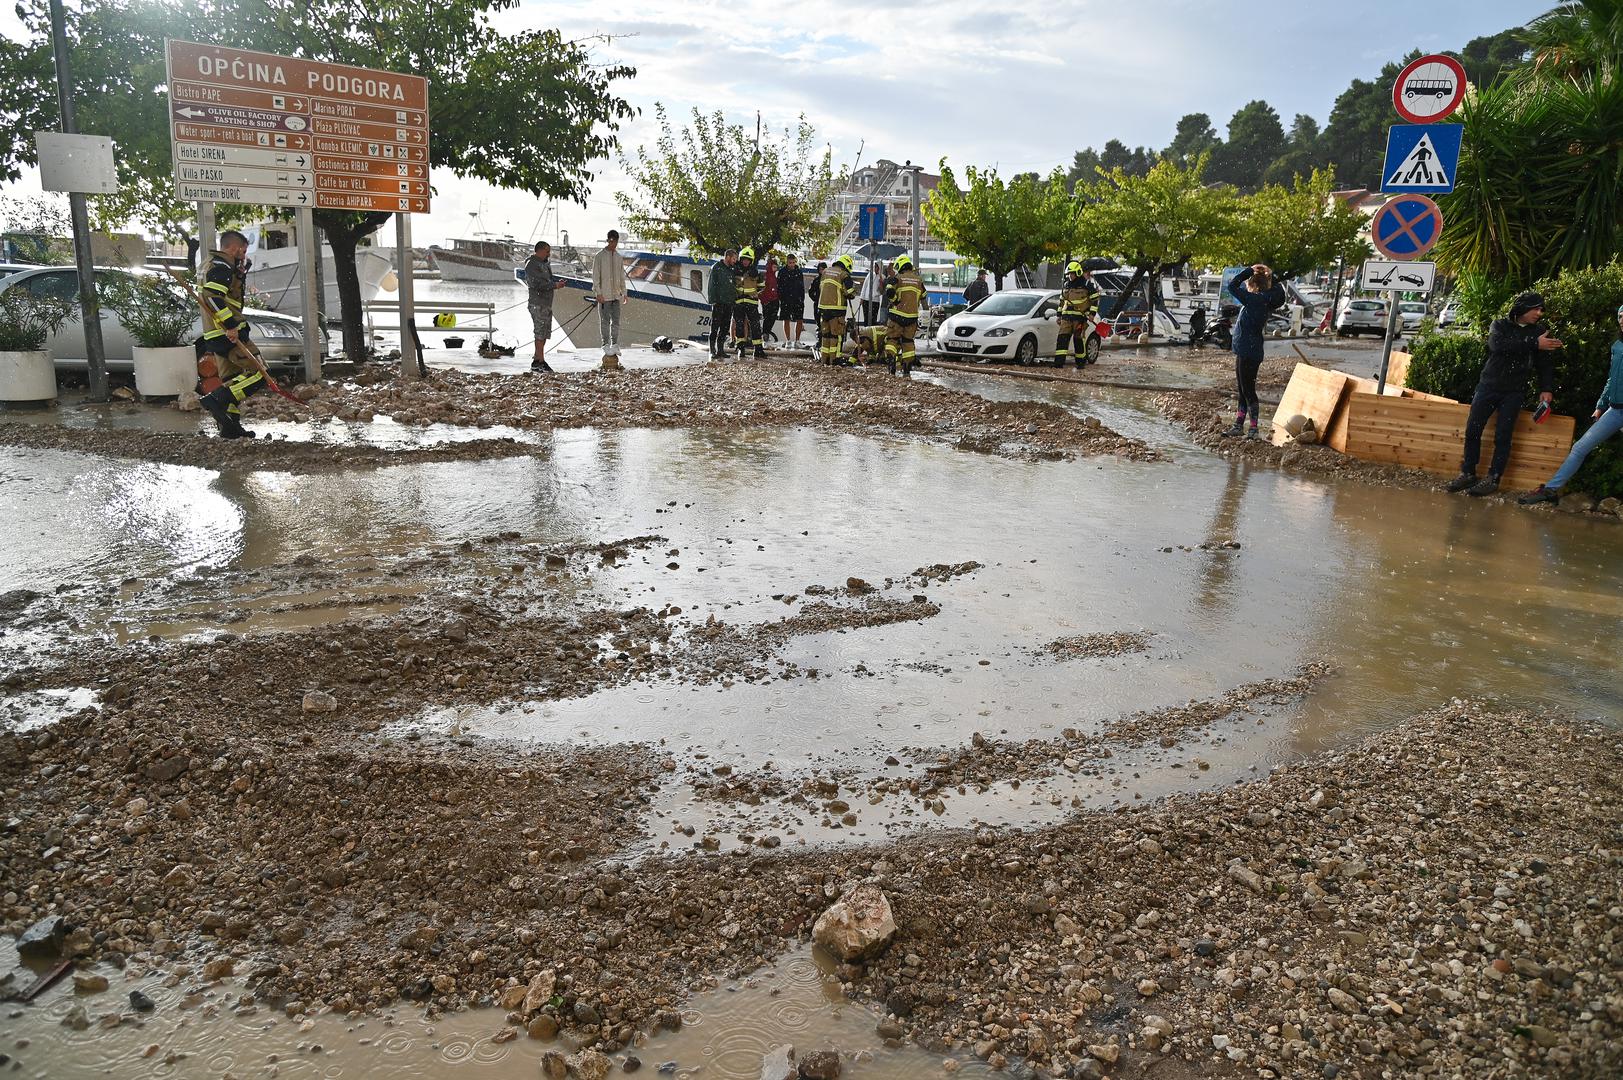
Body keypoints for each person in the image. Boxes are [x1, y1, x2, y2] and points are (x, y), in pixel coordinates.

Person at [1446, 291, 1563, 496]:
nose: (1539, 312)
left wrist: (1546, 389)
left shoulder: (1540, 331)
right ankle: (1468, 473)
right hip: (1488, 386)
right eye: (1536, 308)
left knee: (1503, 436)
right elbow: (1497, 346)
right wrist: (1534, 344)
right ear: (1523, 308)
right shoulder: (1500, 325)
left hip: (1514, 391)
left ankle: (1494, 478)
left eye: (1541, 309)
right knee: (1472, 430)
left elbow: (1544, 365)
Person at [1520, 304, 1623, 505]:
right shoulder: (1617, 346)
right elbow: (1612, 379)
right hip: (1615, 410)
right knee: (1579, 448)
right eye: (1620, 316)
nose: (1622, 319)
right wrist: (1601, 405)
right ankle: (1550, 490)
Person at [195, 230, 264, 439]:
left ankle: (230, 428)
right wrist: (231, 325)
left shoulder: (210, 264)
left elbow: (222, 293)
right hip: (228, 333)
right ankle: (217, 398)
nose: (243, 256)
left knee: (233, 378)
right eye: (242, 251)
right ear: (233, 248)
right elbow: (213, 297)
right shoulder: (222, 266)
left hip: (214, 333)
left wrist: (239, 276)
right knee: (259, 374)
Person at [1222, 264, 1286, 439]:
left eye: (1249, 285)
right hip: (1250, 349)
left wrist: (1249, 270)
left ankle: (1253, 429)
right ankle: (1239, 425)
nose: (1247, 288)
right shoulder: (1268, 299)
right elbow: (1280, 295)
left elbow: (1232, 286)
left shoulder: (1254, 299)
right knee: (1243, 389)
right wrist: (1271, 275)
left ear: (1255, 286)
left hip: (1247, 349)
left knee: (1248, 390)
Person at [884, 253, 926, 376]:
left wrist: (896, 302)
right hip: (912, 318)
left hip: (896, 316)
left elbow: (889, 291)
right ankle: (906, 368)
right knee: (908, 342)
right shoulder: (919, 280)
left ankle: (892, 361)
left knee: (892, 340)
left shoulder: (898, 278)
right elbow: (924, 297)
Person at [592, 229, 628, 367]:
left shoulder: (618, 257)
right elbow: (595, 276)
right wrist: (598, 293)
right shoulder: (599, 256)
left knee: (616, 321)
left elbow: (621, 276)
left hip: (616, 295)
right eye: (611, 241)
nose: (613, 243)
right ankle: (605, 344)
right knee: (605, 321)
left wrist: (624, 293)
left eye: (615, 241)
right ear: (608, 240)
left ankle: (615, 343)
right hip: (604, 295)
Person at [523, 241, 560, 371]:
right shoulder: (531, 264)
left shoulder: (545, 264)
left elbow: (548, 280)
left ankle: (537, 358)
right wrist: (554, 285)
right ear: (539, 250)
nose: (549, 254)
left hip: (546, 303)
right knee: (539, 332)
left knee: (544, 333)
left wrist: (555, 283)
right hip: (537, 303)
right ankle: (540, 360)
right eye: (547, 251)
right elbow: (536, 284)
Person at [1055, 261, 1097, 367]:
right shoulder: (1066, 285)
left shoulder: (1086, 284)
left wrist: (1092, 314)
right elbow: (1061, 301)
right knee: (1062, 339)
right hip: (1066, 317)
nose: (1070, 276)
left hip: (1080, 318)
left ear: (1078, 273)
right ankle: (1058, 363)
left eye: (1072, 273)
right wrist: (1059, 315)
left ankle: (1080, 363)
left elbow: (1095, 300)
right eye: (1069, 274)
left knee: (1078, 340)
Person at [818, 254, 855, 365]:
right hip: (836, 309)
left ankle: (824, 359)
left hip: (823, 308)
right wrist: (850, 295)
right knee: (836, 336)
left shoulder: (825, 272)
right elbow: (850, 292)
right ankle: (834, 359)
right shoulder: (844, 274)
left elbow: (821, 287)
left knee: (825, 335)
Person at [733, 246, 765, 359]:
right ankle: (741, 349)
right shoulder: (735, 270)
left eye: (747, 259)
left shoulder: (755, 272)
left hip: (751, 303)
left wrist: (757, 294)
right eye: (743, 259)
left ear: (751, 261)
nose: (745, 261)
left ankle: (758, 350)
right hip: (738, 303)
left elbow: (761, 286)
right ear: (741, 259)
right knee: (740, 326)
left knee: (755, 326)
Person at [707, 248, 738, 360]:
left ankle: (720, 349)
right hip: (719, 302)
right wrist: (713, 300)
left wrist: (734, 299)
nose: (735, 261)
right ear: (728, 257)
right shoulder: (716, 268)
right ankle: (712, 350)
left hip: (729, 302)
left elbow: (733, 285)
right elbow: (711, 285)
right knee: (715, 326)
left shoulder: (732, 269)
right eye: (734, 258)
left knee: (725, 327)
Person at [777, 254, 806, 346]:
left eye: (793, 263)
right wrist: (781, 298)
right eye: (790, 263)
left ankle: (797, 341)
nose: (792, 265)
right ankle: (788, 341)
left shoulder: (799, 272)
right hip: (786, 299)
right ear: (787, 262)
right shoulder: (782, 272)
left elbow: (802, 287)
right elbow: (779, 286)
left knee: (800, 320)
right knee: (786, 319)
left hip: (798, 299)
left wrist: (802, 299)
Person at [761, 254, 780, 344]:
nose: (775, 268)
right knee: (767, 318)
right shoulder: (766, 276)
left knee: (772, 318)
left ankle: (767, 333)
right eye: (774, 267)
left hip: (774, 300)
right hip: (767, 301)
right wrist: (764, 300)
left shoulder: (774, 276)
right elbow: (762, 289)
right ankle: (765, 334)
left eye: (776, 267)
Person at [860, 261, 886, 325]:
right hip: (866, 299)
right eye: (875, 267)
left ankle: (872, 332)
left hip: (875, 300)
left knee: (873, 319)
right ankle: (865, 332)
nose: (876, 269)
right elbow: (865, 286)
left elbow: (882, 292)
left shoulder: (883, 277)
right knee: (866, 318)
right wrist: (861, 298)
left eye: (877, 267)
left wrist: (881, 282)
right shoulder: (870, 274)